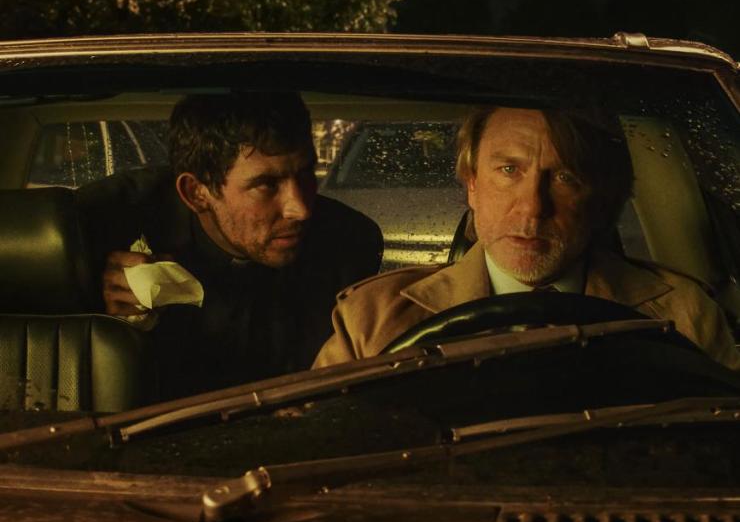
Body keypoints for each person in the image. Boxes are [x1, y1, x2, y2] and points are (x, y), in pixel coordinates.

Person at [313, 106, 740, 370]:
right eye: (508, 170)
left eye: (565, 177)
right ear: (472, 184)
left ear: (600, 198)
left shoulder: (684, 315)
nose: (533, 208)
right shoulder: (371, 322)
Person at [77, 92, 383, 399]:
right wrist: (108, 320)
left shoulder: (347, 243)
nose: (300, 209)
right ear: (196, 193)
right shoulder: (103, 224)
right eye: (267, 185)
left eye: (306, 174)